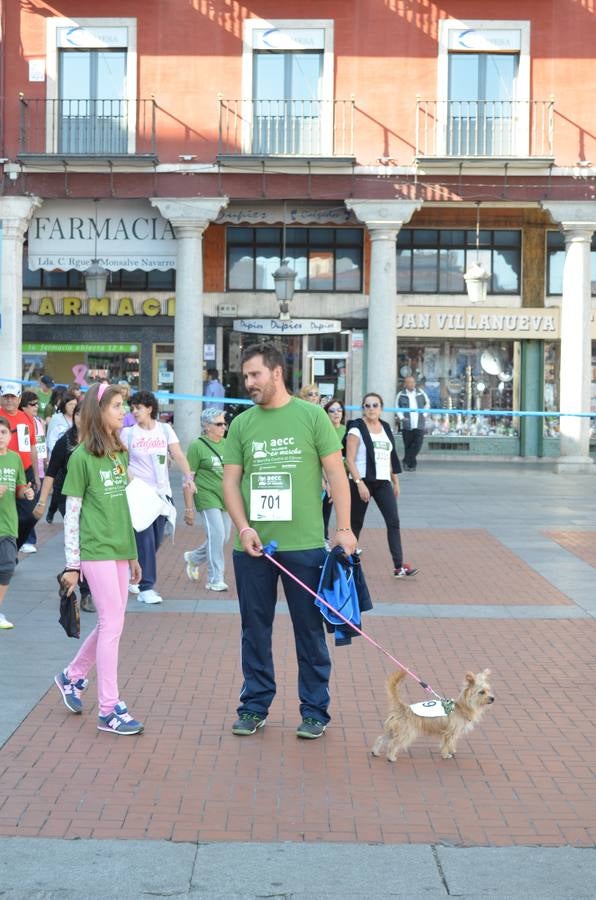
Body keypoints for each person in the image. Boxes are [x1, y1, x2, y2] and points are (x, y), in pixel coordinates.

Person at [223, 342, 356, 740]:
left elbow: (336, 475)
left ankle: (315, 711)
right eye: (245, 376)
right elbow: (231, 482)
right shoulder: (242, 423)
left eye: (255, 375)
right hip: (253, 547)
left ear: (276, 373)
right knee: (254, 630)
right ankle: (254, 705)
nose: (248, 383)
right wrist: (244, 527)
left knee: (310, 631)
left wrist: (345, 529)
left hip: (305, 546)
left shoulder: (313, 417)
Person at [55, 382, 144, 736]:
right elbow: (72, 516)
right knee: (112, 625)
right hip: (95, 550)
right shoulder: (80, 458)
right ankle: (109, 709)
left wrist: (134, 554)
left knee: (113, 622)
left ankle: (72, 676)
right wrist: (73, 566)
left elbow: (123, 508)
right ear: (98, 411)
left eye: (124, 405)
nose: (124, 412)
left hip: (120, 549)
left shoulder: (119, 453)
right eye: (118, 406)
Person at [121, 390, 195, 604]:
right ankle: (146, 587)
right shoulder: (128, 433)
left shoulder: (165, 430)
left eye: (139, 408)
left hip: (162, 493)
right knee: (145, 540)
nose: (135, 412)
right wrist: (131, 480)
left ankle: (132, 570)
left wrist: (188, 477)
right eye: (132, 408)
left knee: (156, 539)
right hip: (139, 494)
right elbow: (119, 460)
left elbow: (178, 454)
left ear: (150, 408)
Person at [345, 392, 418, 579]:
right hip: (362, 481)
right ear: (363, 408)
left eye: (375, 405)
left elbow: (389, 458)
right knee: (355, 524)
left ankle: (399, 566)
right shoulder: (356, 429)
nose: (371, 409)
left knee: (393, 521)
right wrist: (359, 483)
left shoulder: (385, 427)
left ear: (381, 408)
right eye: (367, 405)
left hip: (383, 482)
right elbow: (350, 460)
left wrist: (395, 481)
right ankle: (346, 562)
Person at [32, 401, 96, 613]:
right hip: (67, 498)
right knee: (80, 541)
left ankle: (68, 574)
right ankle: (86, 593)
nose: (80, 418)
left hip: (93, 499)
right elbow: (50, 474)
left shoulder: (97, 441)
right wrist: (42, 502)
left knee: (88, 543)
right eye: (77, 414)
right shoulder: (65, 442)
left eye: (84, 414)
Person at [184, 407, 231, 591]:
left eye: (224, 423)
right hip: (206, 496)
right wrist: (188, 509)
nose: (223, 427)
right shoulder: (197, 446)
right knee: (217, 534)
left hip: (224, 496)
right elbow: (188, 479)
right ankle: (215, 578)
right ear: (206, 426)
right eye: (219, 424)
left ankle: (194, 558)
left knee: (223, 537)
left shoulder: (228, 444)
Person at [0, 416, 36, 629]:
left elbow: (20, 487)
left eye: (3, 433)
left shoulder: (14, 459)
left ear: (9, 436)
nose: (0, 437)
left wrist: (27, 492)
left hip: (7, 523)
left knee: (6, 568)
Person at [0, 382, 39, 550]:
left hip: (25, 472)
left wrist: (36, 475)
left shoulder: (27, 418)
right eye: (6, 397)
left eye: (12, 397)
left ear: (19, 399)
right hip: (4, 471)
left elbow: (32, 447)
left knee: (29, 516)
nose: (9, 400)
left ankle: (13, 548)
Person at [18, 391, 47, 552]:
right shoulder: (23, 422)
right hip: (25, 470)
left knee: (33, 507)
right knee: (27, 509)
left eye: (37, 404)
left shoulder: (37, 421)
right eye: (32, 404)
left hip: (39, 468)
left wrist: (43, 463)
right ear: (24, 406)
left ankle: (27, 539)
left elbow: (38, 445)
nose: (37, 407)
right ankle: (27, 540)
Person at [322, 398, 346, 542]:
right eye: (332, 411)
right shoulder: (324, 431)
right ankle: (324, 539)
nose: (336, 413)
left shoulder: (348, 430)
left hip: (344, 476)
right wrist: (327, 481)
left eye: (339, 410)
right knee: (325, 509)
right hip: (327, 477)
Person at [395, 375, 430, 471]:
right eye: (408, 382)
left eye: (412, 382)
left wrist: (424, 414)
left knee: (418, 443)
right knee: (408, 444)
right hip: (407, 423)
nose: (411, 384)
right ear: (405, 384)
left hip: (419, 422)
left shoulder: (420, 393)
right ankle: (412, 465)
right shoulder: (401, 394)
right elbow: (397, 407)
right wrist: (402, 418)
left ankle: (406, 460)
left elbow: (427, 403)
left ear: (415, 383)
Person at [46, 391, 77, 456]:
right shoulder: (56, 418)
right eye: (70, 404)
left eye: (75, 404)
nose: (73, 407)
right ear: (64, 405)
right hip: (57, 455)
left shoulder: (78, 419)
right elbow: (51, 440)